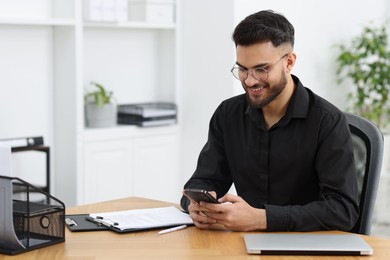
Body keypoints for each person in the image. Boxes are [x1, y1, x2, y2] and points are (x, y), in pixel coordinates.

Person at [180, 10, 359, 232]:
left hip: (310, 246)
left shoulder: (328, 122)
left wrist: (262, 218)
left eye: (261, 69)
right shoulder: (228, 114)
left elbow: (343, 211)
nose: (250, 80)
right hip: (244, 243)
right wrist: (196, 204)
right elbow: (204, 181)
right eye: (243, 69)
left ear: (289, 62)